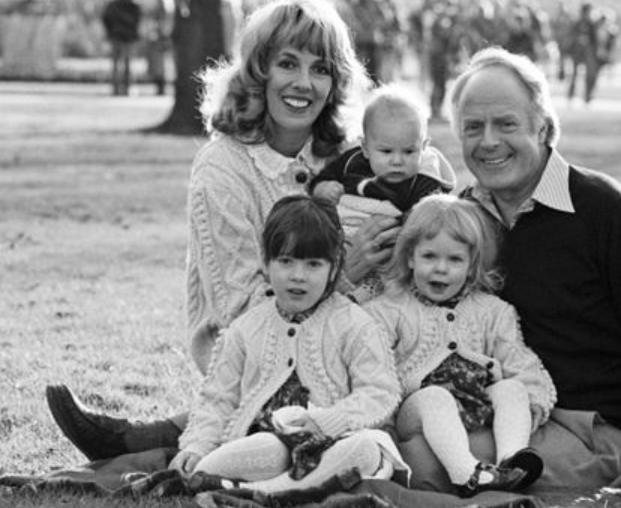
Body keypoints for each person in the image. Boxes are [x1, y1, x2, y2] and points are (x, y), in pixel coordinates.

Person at [46, 0, 399, 462]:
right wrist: (345, 273)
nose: (303, 83)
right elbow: (241, 307)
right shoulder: (224, 167)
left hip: (360, 347)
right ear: (259, 71)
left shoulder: (352, 158)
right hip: (248, 342)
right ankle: (158, 437)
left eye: (320, 69)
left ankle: (159, 435)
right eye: (287, 64)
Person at [396, 46, 621, 492]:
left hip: (590, 429)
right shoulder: (464, 219)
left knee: (415, 462)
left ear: (543, 126)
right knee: (383, 447)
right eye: (473, 127)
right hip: (490, 411)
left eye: (506, 124)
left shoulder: (608, 211)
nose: (488, 141)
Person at [169, 195, 402, 492]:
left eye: (313, 264)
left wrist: (330, 421)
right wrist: (197, 446)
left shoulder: (356, 324)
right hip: (267, 444)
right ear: (266, 264)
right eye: (286, 261)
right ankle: (240, 480)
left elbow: (380, 391)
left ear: (334, 269)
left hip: (332, 443)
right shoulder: (245, 329)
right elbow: (217, 400)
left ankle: (261, 493)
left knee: (366, 448)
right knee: (262, 449)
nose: (298, 276)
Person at [364, 194, 556, 496]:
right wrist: (382, 431)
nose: (441, 269)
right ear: (410, 257)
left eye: (455, 259)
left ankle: (512, 462)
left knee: (512, 388)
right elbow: (375, 377)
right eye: (429, 256)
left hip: (477, 406)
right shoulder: (388, 312)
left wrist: (530, 403)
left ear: (471, 265)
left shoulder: (493, 311)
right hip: (416, 411)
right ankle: (467, 474)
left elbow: (520, 362)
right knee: (435, 397)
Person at [309, 84, 455, 304]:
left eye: (409, 151)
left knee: (389, 280)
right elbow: (321, 180)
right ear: (366, 148)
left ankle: (362, 302)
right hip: (339, 234)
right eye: (386, 151)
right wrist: (323, 188)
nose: (397, 161)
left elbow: (431, 214)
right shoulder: (351, 161)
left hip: (384, 250)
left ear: (423, 147)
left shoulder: (421, 181)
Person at [102, 0, 142, 96]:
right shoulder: (132, 6)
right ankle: (125, 88)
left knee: (119, 64)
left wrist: (110, 32)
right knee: (125, 63)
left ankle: (118, 88)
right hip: (126, 36)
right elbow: (138, 20)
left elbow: (105, 19)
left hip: (119, 36)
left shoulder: (113, 6)